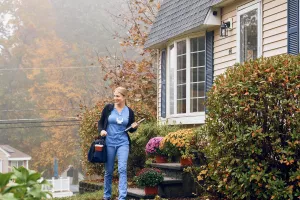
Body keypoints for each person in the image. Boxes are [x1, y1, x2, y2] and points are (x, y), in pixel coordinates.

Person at [98, 87, 139, 200]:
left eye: (118, 96)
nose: (115, 98)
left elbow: (130, 129)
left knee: (122, 169)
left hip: (123, 143)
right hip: (109, 143)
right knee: (109, 171)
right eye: (114, 96)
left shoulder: (129, 112)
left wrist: (134, 127)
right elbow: (101, 123)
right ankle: (107, 196)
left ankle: (122, 197)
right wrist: (102, 130)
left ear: (124, 97)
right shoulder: (108, 108)